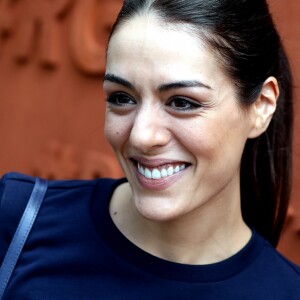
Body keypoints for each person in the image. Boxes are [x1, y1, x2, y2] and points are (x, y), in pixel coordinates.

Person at [0, 0, 299, 299]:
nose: (142, 136)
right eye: (122, 97)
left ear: (261, 107)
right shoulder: (18, 221)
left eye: (182, 102)